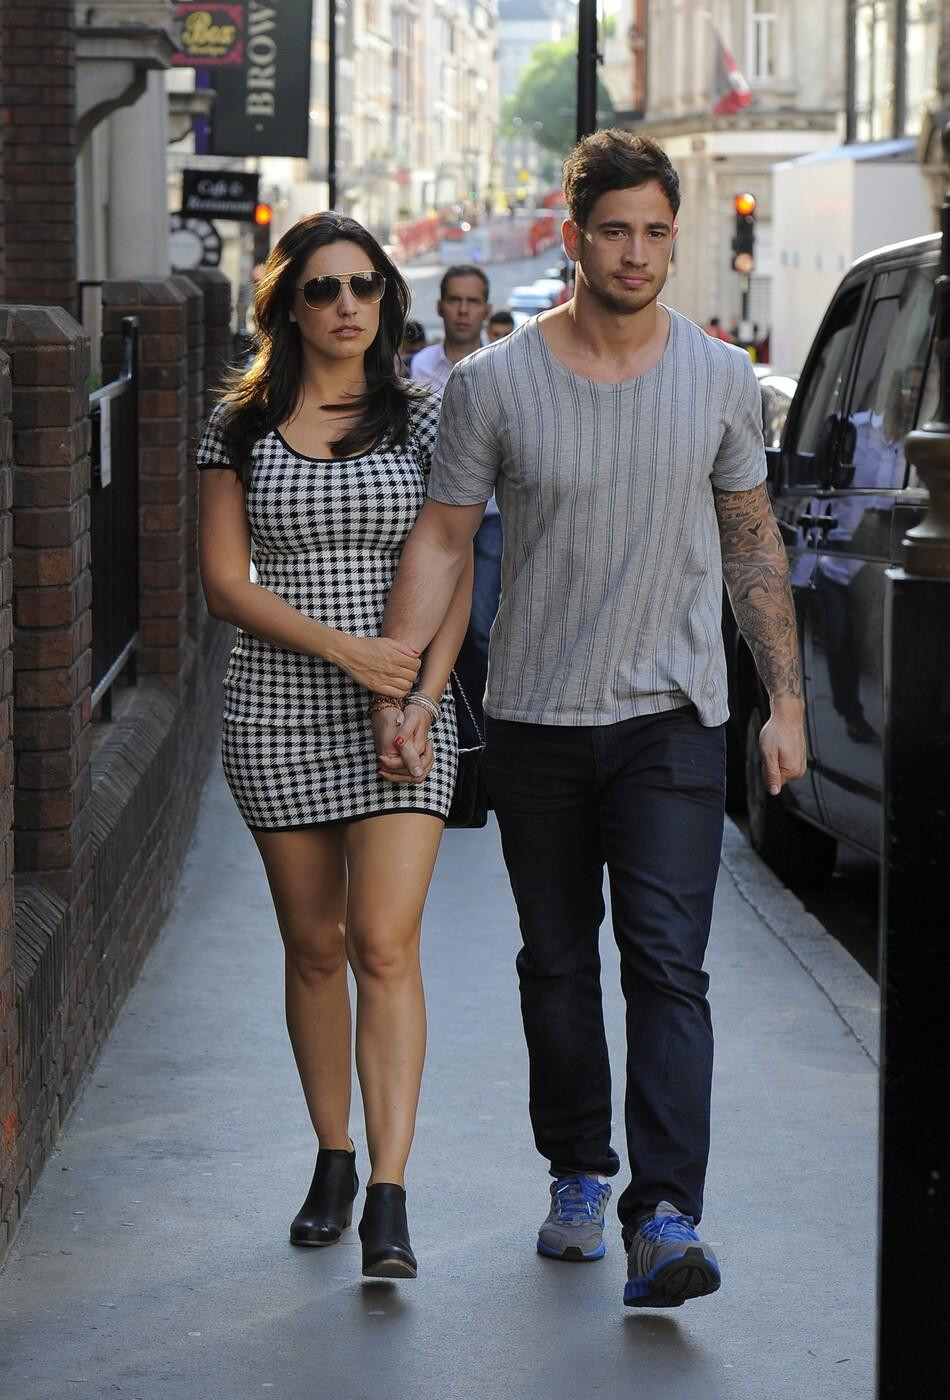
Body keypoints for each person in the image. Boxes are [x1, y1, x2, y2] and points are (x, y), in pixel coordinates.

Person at [378, 131, 806, 1309]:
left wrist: (784, 700)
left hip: (672, 720)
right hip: (534, 719)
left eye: (655, 232)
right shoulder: (492, 384)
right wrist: (409, 692)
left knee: (666, 963)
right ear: (570, 237)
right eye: (613, 231)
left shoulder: (718, 377)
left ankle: (663, 1215)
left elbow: (750, 542)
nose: (635, 253)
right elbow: (443, 540)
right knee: (557, 964)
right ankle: (575, 1168)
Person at [197, 211, 472, 1281]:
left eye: (364, 285)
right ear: (289, 306)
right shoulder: (238, 427)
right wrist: (347, 653)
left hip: (404, 720)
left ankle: (391, 1192)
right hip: (277, 713)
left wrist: (419, 694)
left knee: (384, 944)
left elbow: (450, 564)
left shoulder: (426, 420)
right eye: (322, 287)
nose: (346, 304)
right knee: (313, 946)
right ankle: (333, 1156)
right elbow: (225, 585)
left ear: (386, 300)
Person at [411, 265, 500, 730]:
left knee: (481, 627)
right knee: (425, 626)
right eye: (455, 300)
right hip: (431, 517)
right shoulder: (419, 369)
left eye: (472, 301)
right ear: (440, 306)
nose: (463, 310)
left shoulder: (500, 366)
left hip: (489, 519)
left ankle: (480, 732)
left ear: (486, 309)